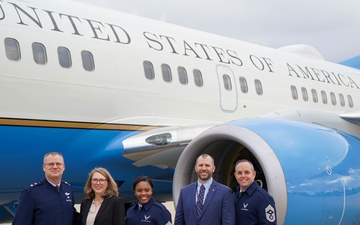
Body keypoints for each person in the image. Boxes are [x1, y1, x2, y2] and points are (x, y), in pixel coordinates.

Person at [12, 152, 80, 225]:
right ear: (44, 167)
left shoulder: (68, 189)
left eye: (58, 164)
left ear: (63, 167)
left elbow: (73, 217)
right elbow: (20, 221)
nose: (55, 167)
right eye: (51, 164)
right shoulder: (32, 192)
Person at [174, 154, 235, 225]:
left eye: (207, 165)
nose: (203, 168)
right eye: (200, 165)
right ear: (196, 168)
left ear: (213, 168)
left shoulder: (224, 192)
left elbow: (228, 222)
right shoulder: (184, 192)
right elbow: (179, 221)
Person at [233, 159, 277, 225]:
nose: (243, 176)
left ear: (254, 174)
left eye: (247, 172)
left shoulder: (263, 198)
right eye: (239, 173)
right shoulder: (234, 195)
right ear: (235, 175)